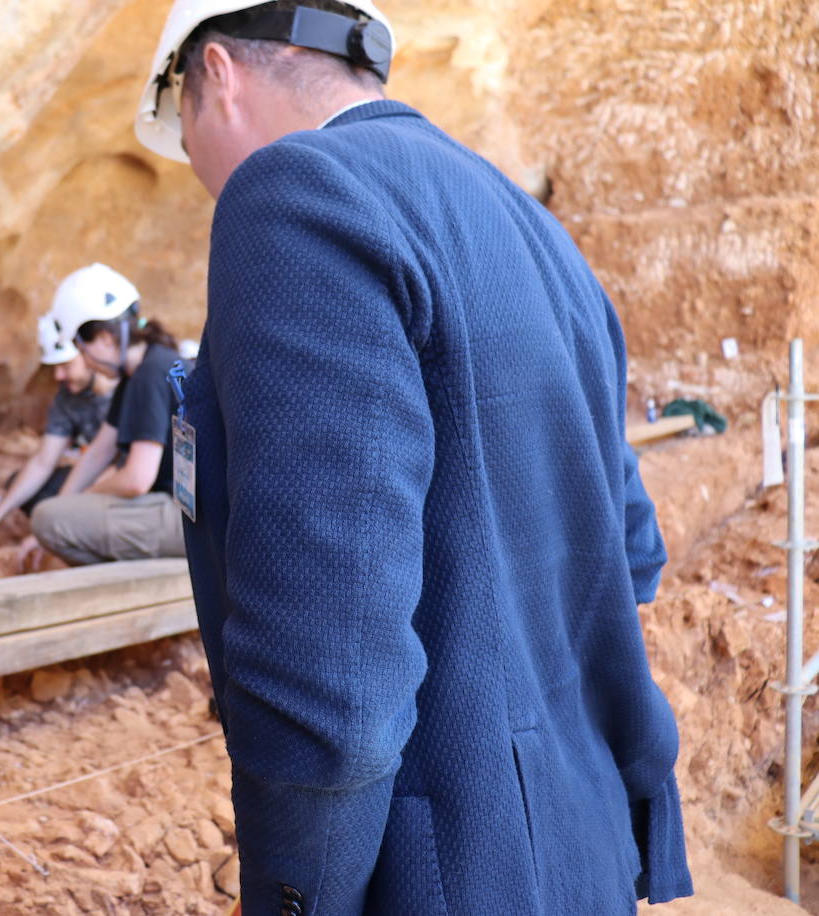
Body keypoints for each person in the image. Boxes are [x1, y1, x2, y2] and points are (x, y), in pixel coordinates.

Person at [134, 2, 692, 914]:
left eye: (183, 134)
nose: (199, 173)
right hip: (586, 850)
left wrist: (293, 897)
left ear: (219, 73)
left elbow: (332, 672)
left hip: (442, 876)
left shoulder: (294, 194)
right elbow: (630, 557)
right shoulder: (533, 227)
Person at [28, 263, 189, 566]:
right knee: (58, 512)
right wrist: (69, 504)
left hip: (189, 518)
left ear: (104, 338)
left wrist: (81, 501)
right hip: (190, 511)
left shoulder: (149, 375)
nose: (86, 362)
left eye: (82, 348)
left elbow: (136, 480)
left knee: (48, 520)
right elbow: (99, 452)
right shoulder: (148, 367)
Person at [0, 304, 116, 543]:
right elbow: (43, 461)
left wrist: (56, 520)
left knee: (53, 503)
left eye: (66, 366)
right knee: (26, 489)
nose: (58, 376)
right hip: (95, 474)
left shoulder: (123, 390)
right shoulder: (67, 396)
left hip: (126, 484)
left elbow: (126, 469)